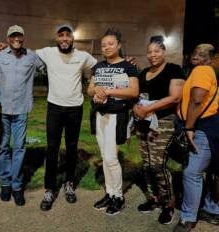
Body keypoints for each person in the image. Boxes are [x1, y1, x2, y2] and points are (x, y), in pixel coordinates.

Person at [36, 25, 98, 211]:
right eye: (61, 35)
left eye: (67, 35)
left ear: (72, 39)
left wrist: (123, 64)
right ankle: (49, 189)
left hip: (74, 109)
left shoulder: (83, 56)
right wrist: (2, 47)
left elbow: (100, 67)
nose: (64, 38)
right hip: (54, 108)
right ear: (56, 39)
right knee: (52, 149)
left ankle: (69, 184)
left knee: (72, 148)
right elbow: (24, 53)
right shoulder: (47, 52)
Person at [132, 36, 185, 224]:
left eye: (157, 51)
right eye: (149, 52)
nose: (152, 55)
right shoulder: (144, 73)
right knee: (146, 164)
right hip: (143, 123)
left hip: (163, 122)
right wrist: (137, 108)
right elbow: (136, 96)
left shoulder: (173, 69)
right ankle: (153, 199)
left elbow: (175, 97)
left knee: (157, 164)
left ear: (164, 52)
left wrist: (149, 108)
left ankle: (168, 205)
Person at [0, 25, 45, 206]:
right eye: (13, 36)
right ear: (7, 39)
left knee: (20, 147)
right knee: (3, 147)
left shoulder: (32, 56)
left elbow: (48, 66)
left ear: (23, 38)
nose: (16, 39)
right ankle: (5, 183)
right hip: (1, 108)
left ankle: (17, 186)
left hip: (22, 108)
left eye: (19, 36)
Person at [87, 28, 139, 215]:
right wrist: (98, 90)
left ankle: (118, 197)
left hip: (118, 117)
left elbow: (133, 91)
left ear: (118, 45)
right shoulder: (99, 67)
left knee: (111, 158)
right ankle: (109, 193)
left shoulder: (128, 67)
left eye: (110, 43)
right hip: (100, 115)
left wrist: (108, 92)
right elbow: (90, 89)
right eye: (103, 45)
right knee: (104, 157)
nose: (106, 47)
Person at [174, 44, 219, 232]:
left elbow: (197, 99)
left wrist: (190, 127)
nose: (197, 56)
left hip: (202, 128)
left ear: (210, 58)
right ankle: (211, 209)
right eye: (195, 52)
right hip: (207, 127)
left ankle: (188, 218)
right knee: (210, 170)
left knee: (191, 172)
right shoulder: (203, 71)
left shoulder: (202, 70)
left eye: (203, 54)